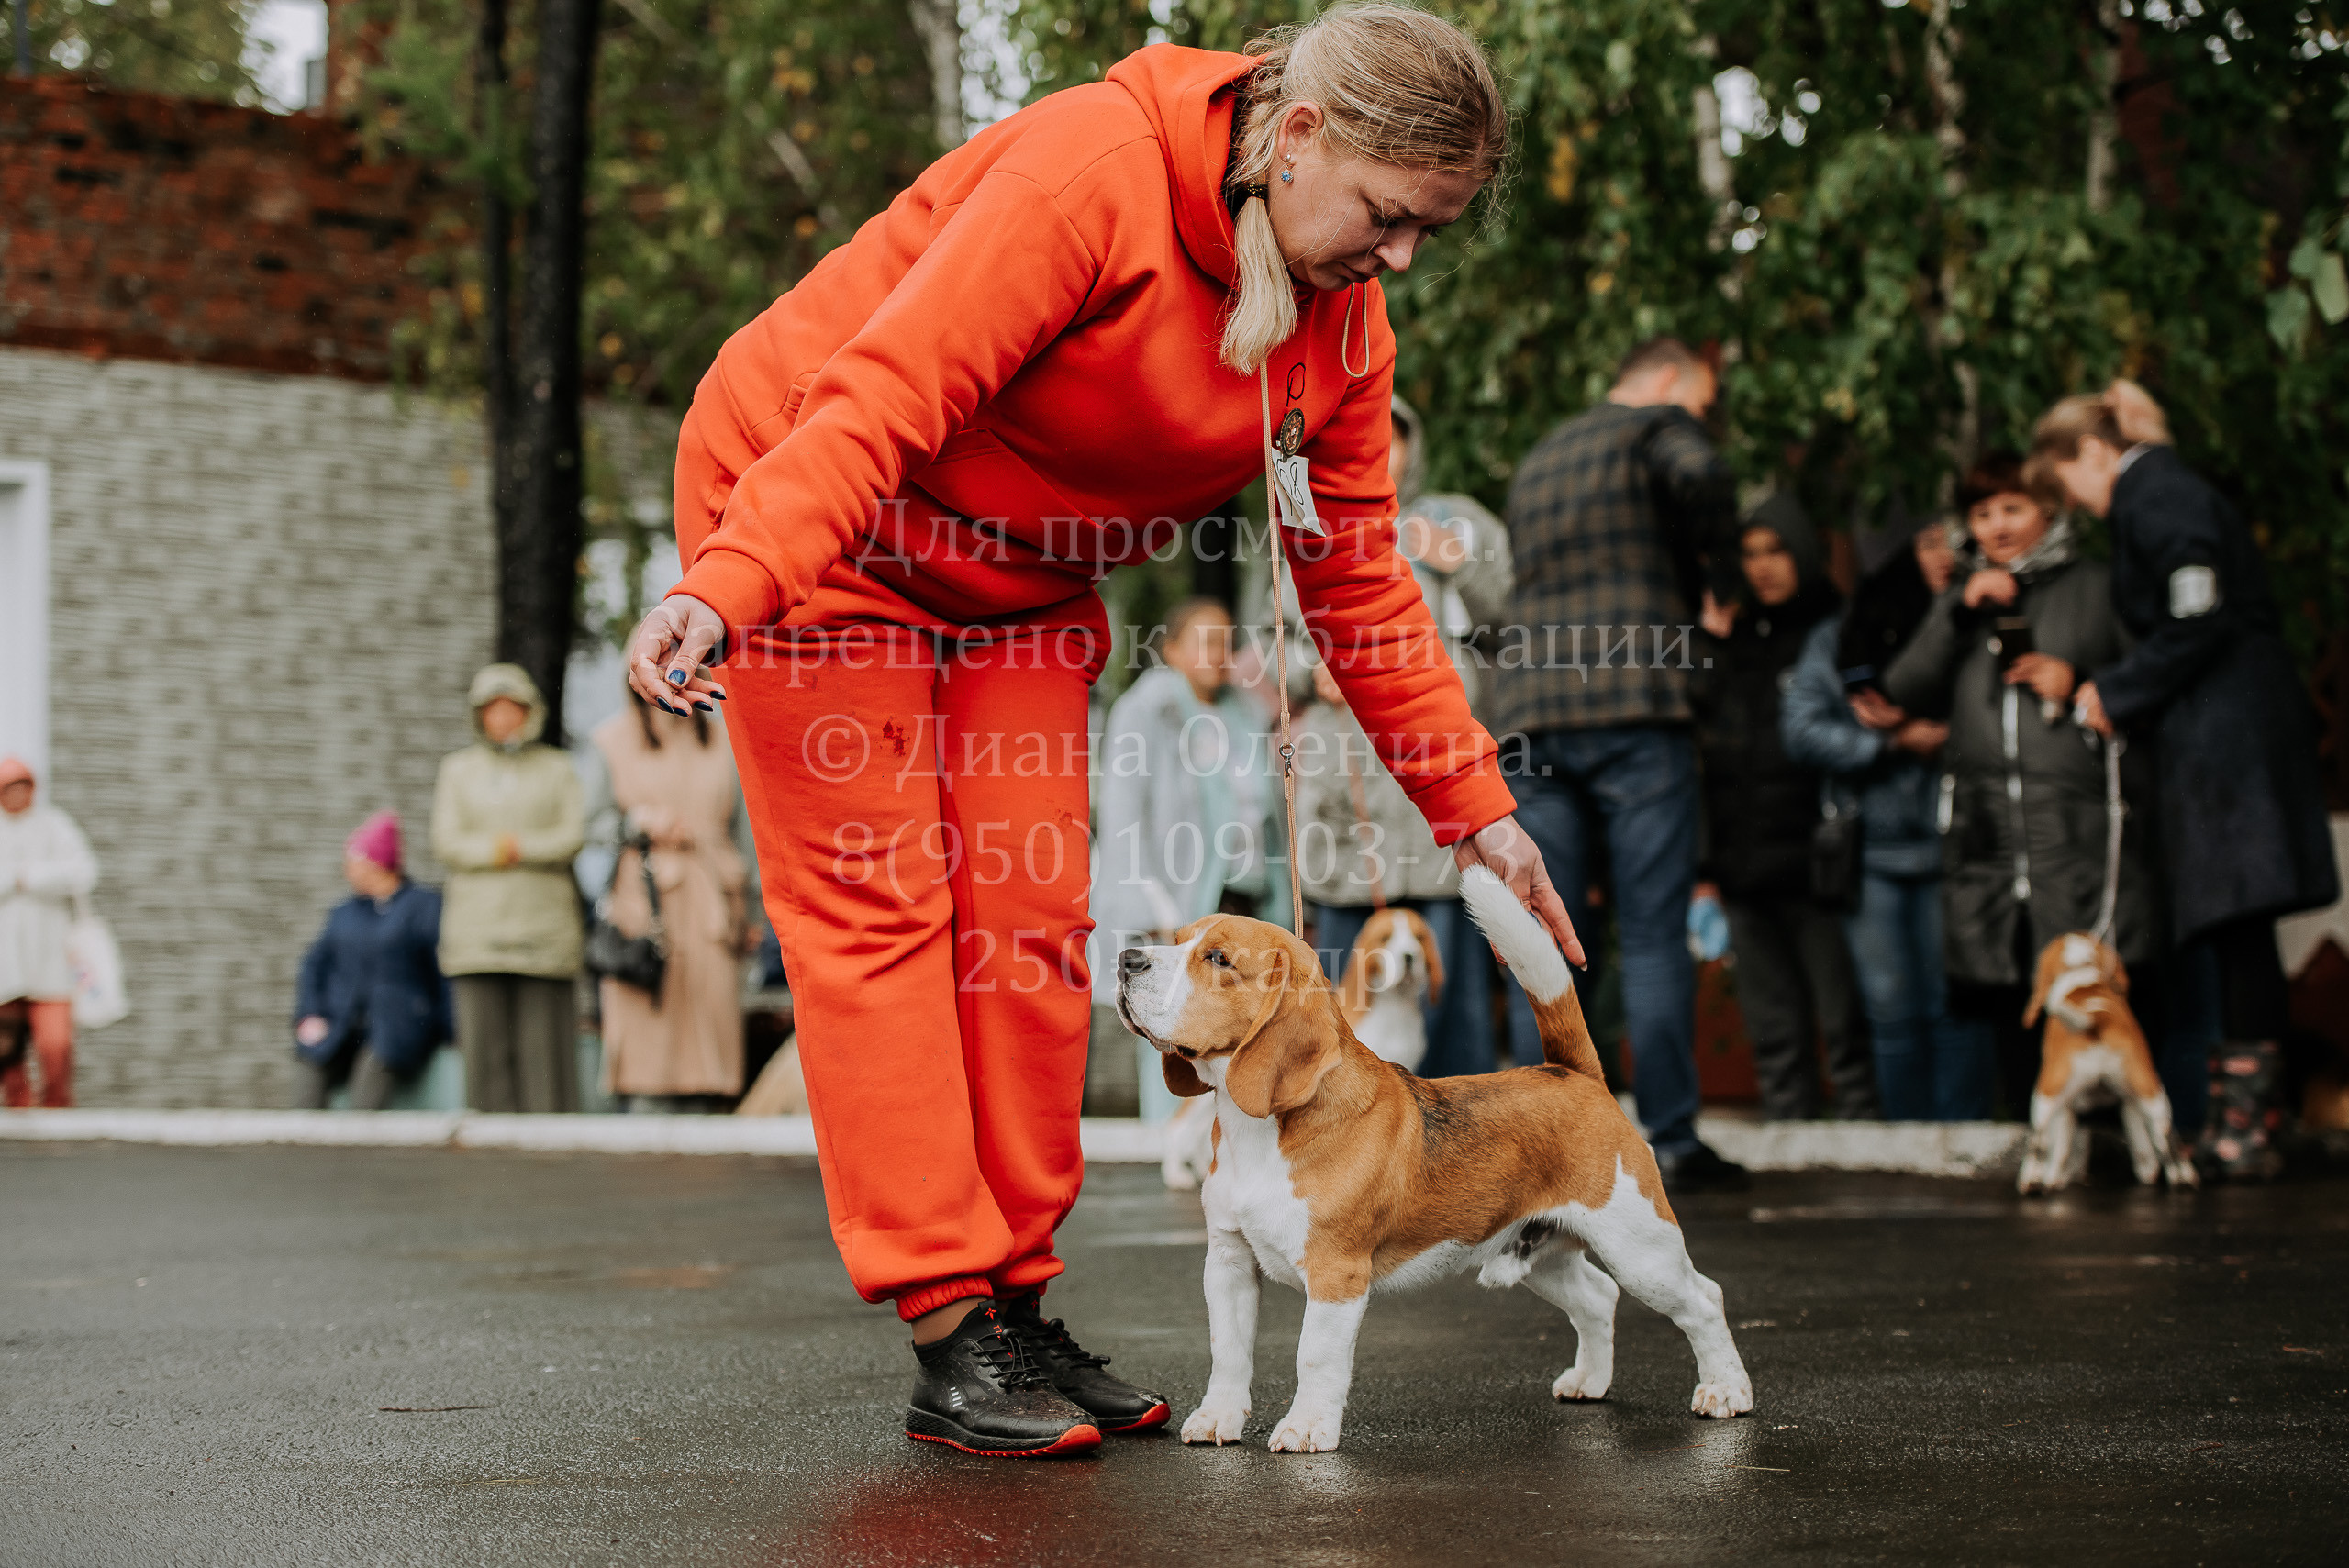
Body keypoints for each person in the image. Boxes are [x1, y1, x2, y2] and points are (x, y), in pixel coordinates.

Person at [620, 8, 1581, 1457]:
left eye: (1427, 233)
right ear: (1300, 136)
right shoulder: (1090, 179)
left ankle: (1014, 1296)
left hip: (1016, 571)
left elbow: (1361, 578)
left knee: (1027, 915)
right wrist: (732, 579)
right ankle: (948, 1325)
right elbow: (880, 400)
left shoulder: (1342, 322)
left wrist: (1478, 817)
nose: (1399, 260)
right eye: (1390, 218)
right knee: (883, 914)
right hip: (815, 515)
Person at [2047, 382, 2340, 1180]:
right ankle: (2249, 1121)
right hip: (2228, 733)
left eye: (2067, 480)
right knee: (2237, 931)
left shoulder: (2157, 494)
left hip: (2228, 740)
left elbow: (2196, 615)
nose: (2075, 503)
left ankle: (2246, 1129)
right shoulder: (2163, 491)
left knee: (2239, 925)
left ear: (2095, 454)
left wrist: (2119, 687)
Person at [1493, 337, 1746, 1188]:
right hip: (1636, 705)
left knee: (1547, 936)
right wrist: (1719, 586)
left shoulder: (1541, 458)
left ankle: (1542, 1144)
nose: (1699, 418)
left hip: (1534, 712)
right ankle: (1670, 1134)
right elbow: (1707, 481)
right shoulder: (1659, 428)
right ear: (1672, 378)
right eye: (1702, 401)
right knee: (1647, 932)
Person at [1883, 453, 2161, 1117]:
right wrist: (1956, 609)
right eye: (1981, 514)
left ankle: (2121, 1135)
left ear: (2049, 510)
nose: (1997, 526)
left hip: (2077, 827)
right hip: (1988, 834)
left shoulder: (2096, 584)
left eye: (2012, 508)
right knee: (2011, 992)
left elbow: (2151, 674)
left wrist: (2080, 677)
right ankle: (2034, 1135)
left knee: (2095, 987)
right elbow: (1904, 688)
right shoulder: (1964, 595)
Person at [1782, 521, 1987, 1120]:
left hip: (1958, 843)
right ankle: (1907, 1148)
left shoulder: (1969, 626)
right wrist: (1889, 744)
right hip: (1870, 853)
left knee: (1957, 1005)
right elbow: (1800, 728)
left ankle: (1966, 1141)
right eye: (1925, 542)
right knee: (1891, 1007)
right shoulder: (1841, 637)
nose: (1945, 556)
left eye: (1954, 541)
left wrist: (1944, 737)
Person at [1691, 495, 1876, 1122]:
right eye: (1751, 553)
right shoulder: (1732, 639)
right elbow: (1706, 747)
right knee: (1771, 1024)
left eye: (1776, 550)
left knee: (1843, 1016)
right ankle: (1788, 1142)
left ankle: (1860, 1141)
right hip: (1744, 863)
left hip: (1819, 861)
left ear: (1802, 553)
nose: (1764, 566)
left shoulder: (1838, 630)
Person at [1295, 655, 1489, 1073]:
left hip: (1438, 811)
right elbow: (1269, 646)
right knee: (1337, 1027)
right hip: (1344, 833)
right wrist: (1315, 665)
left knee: (1451, 1018)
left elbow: (1492, 630)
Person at [585, 688, 757, 1113]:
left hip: (713, 903)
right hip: (643, 903)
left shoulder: (726, 741)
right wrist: (637, 821)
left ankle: (706, 1152)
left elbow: (746, 833)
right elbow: (589, 826)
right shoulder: (610, 740)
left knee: (709, 1042)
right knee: (649, 1047)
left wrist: (752, 912)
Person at [432, 664, 586, 1114]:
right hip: (477, 931)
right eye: (492, 711)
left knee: (545, 1054)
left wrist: (520, 848)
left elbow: (570, 835)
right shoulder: (457, 771)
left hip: (544, 928)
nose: (502, 719)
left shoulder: (557, 769)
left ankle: (551, 1145)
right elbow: (447, 840)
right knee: (484, 1053)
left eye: (511, 709)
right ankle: (488, 1149)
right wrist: (501, 850)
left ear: (529, 712)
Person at [291, 811, 452, 1109]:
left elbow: (442, 973)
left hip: (397, 1028)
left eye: (353, 861)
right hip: (342, 1025)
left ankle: (359, 1154)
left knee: (369, 1082)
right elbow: (314, 965)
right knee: (310, 1070)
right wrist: (311, 1014)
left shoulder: (423, 908)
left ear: (375, 863)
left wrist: (449, 1029)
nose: (347, 870)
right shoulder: (345, 913)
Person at [0, 756, 96, 1109]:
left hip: (50, 962)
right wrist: (16, 879)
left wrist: (32, 877)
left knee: (56, 1045)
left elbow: (83, 871)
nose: (17, 794)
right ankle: (18, 1109)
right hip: (5, 965)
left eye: (23, 786)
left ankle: (57, 1109)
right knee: (6, 1049)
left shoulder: (54, 826)